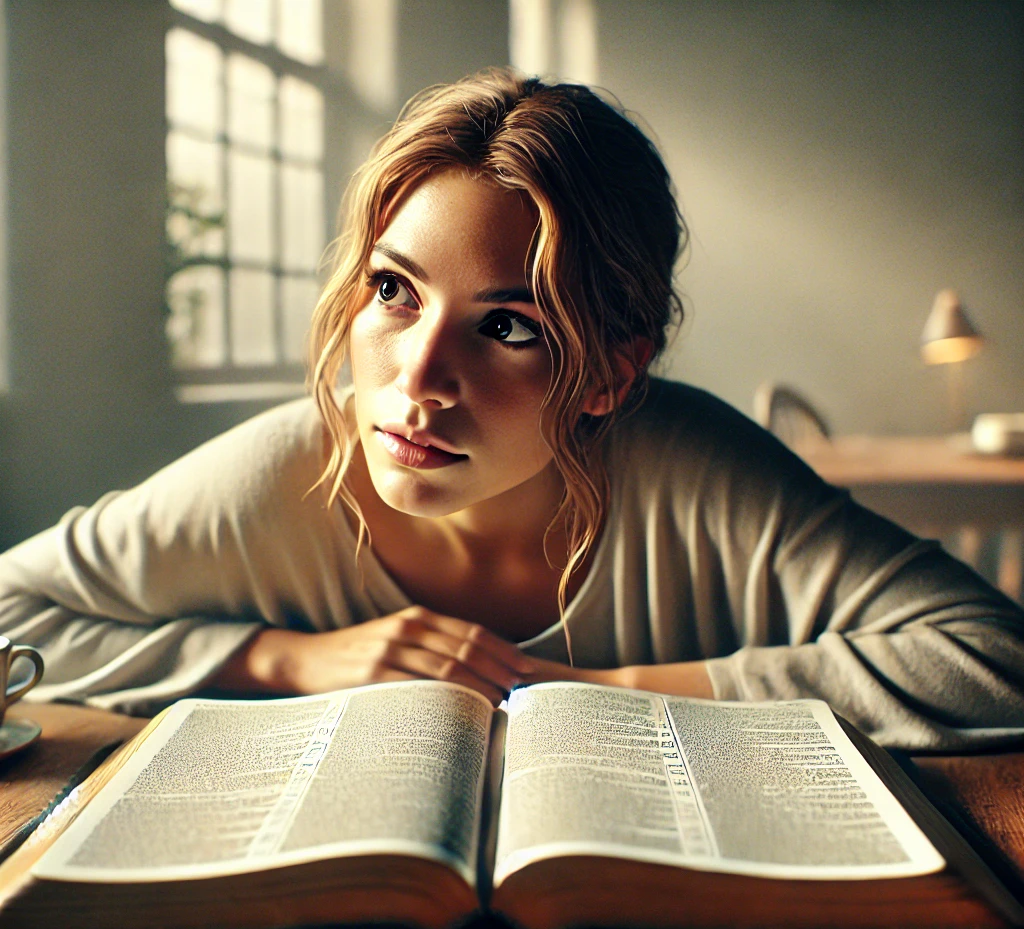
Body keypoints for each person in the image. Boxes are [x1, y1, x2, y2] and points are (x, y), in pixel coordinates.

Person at [2, 68, 1024, 750]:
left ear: (613, 375)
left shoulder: (696, 470)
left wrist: (597, 693)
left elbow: (993, 657)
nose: (415, 378)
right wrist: (283, 658)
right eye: (394, 290)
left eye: (507, 328)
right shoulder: (286, 472)